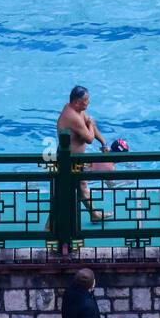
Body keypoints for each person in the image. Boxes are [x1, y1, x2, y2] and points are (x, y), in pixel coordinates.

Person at [56, 85, 111, 223]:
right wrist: (91, 124)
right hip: (68, 162)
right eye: (86, 100)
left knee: (81, 188)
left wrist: (103, 143)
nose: (88, 102)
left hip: (76, 161)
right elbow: (89, 138)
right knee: (63, 194)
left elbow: (89, 123)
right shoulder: (71, 116)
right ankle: (49, 226)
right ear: (76, 102)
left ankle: (94, 214)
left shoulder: (78, 110)